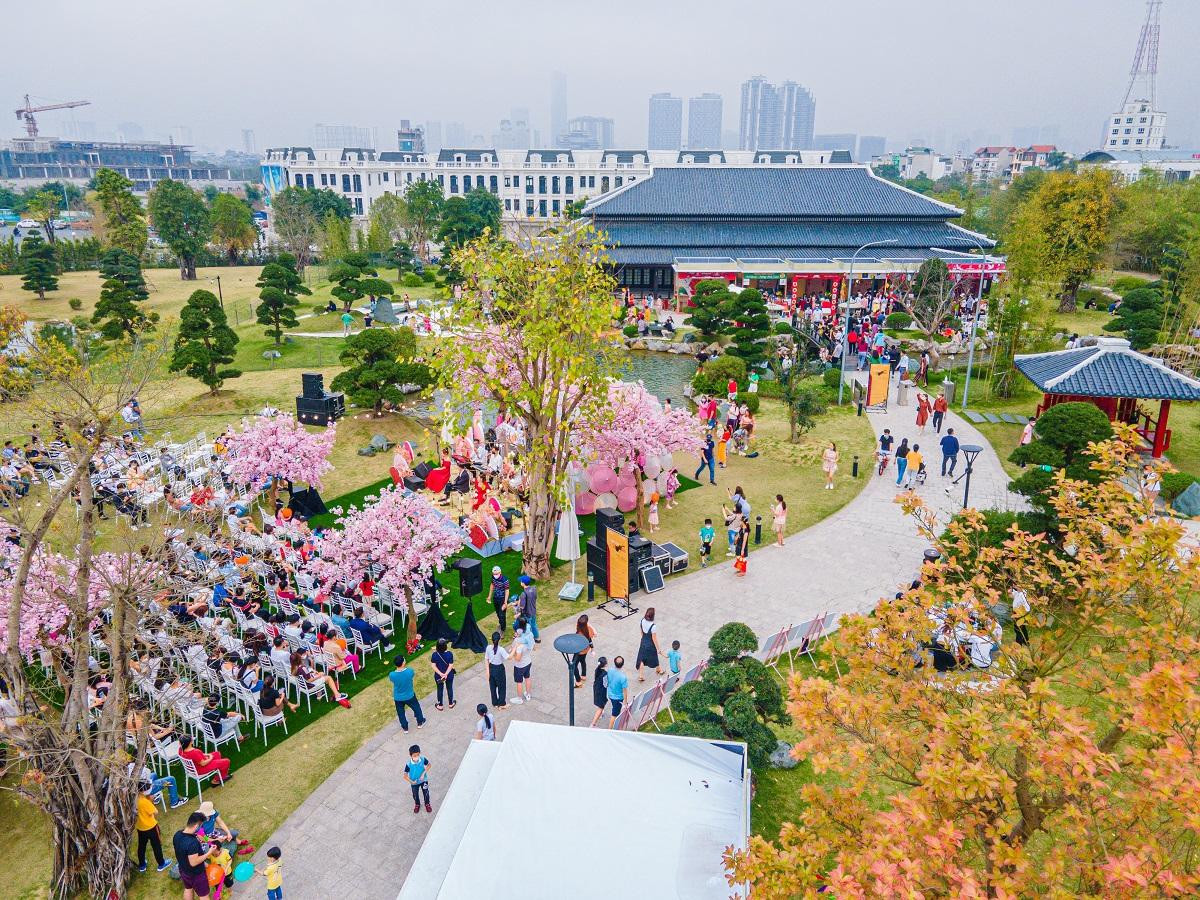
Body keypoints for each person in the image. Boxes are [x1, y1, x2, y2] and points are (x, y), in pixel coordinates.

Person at [174, 812, 217, 900]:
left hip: (183, 869)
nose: (201, 828)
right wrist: (209, 853)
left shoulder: (177, 834)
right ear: (196, 826)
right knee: (204, 895)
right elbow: (193, 862)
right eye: (201, 826)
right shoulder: (192, 843)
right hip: (196, 874)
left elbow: (183, 853)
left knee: (188, 889)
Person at [135, 781, 173, 873]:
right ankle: (161, 864)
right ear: (144, 791)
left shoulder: (135, 799)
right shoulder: (145, 802)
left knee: (141, 846)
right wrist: (151, 801)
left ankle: (142, 865)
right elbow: (155, 812)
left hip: (140, 827)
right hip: (151, 827)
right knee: (156, 845)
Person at [389, 655, 425, 732]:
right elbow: (411, 675)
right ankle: (420, 722)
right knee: (416, 708)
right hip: (410, 695)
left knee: (400, 713)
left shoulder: (392, 675)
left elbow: (393, 680)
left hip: (398, 697)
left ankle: (405, 727)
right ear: (403, 663)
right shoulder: (410, 671)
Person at [635, 608, 664, 681]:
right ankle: (659, 670)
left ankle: (641, 676)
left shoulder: (642, 621)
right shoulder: (653, 626)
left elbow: (641, 632)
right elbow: (654, 638)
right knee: (654, 656)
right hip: (650, 644)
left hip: (643, 641)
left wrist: (644, 640)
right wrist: (658, 649)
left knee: (641, 658)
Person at [404, 744, 433, 814]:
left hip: (424, 780)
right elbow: (405, 775)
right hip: (414, 782)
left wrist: (423, 774)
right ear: (410, 755)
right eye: (414, 756)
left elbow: (429, 765)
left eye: (418, 755)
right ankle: (417, 804)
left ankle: (427, 804)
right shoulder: (408, 764)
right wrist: (411, 781)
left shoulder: (423, 759)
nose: (416, 757)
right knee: (415, 794)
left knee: (426, 792)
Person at [509, 621, 533, 704]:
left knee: (519, 682)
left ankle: (519, 699)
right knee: (527, 678)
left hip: (520, 666)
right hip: (528, 662)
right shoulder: (530, 638)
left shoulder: (519, 644)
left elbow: (518, 658)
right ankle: (528, 694)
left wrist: (513, 655)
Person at [485, 631, 508, 710]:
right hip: (499, 669)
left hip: (491, 668)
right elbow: (509, 657)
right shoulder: (501, 649)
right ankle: (501, 704)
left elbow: (486, 659)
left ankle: (495, 703)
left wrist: (487, 671)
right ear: (499, 640)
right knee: (501, 687)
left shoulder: (488, 647)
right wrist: (514, 648)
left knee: (492, 687)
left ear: (491, 639)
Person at [431, 639, 455, 710]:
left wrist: (441, 674)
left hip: (439, 676)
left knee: (440, 689)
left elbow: (433, 666)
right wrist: (446, 674)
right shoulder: (449, 654)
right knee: (449, 688)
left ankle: (440, 705)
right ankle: (451, 704)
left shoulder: (434, 655)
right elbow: (451, 665)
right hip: (449, 675)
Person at [572, 614, 595, 687]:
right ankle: (583, 675)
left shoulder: (579, 633)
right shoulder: (589, 629)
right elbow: (590, 639)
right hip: (586, 650)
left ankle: (578, 681)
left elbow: (576, 644)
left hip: (579, 652)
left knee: (573, 666)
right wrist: (592, 649)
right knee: (582, 661)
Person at [515, 575, 540, 642]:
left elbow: (522, 607)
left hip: (527, 614)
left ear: (523, 583)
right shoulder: (534, 589)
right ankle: (537, 638)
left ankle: (530, 640)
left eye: (521, 581)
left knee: (528, 627)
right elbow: (535, 598)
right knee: (534, 625)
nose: (520, 582)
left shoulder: (523, 594)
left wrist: (518, 613)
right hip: (533, 611)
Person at [606, 656, 629, 727]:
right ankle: (610, 729)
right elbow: (625, 691)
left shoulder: (609, 670)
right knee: (614, 714)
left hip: (610, 694)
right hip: (618, 698)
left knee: (615, 708)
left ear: (614, 662)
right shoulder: (623, 677)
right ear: (623, 664)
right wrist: (625, 703)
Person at [589, 657, 610, 727]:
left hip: (596, 688)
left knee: (601, 702)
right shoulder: (605, 674)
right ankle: (593, 724)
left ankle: (601, 712)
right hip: (601, 691)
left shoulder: (597, 670)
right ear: (605, 664)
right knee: (601, 706)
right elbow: (606, 684)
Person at [489, 565, 510, 633]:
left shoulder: (505, 580)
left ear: (500, 572)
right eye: (494, 574)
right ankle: (501, 624)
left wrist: (505, 602)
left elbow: (507, 590)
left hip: (502, 599)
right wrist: (489, 596)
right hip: (495, 598)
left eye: (496, 574)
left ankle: (503, 630)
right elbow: (492, 585)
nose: (495, 575)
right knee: (498, 613)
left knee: (502, 615)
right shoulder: (493, 577)